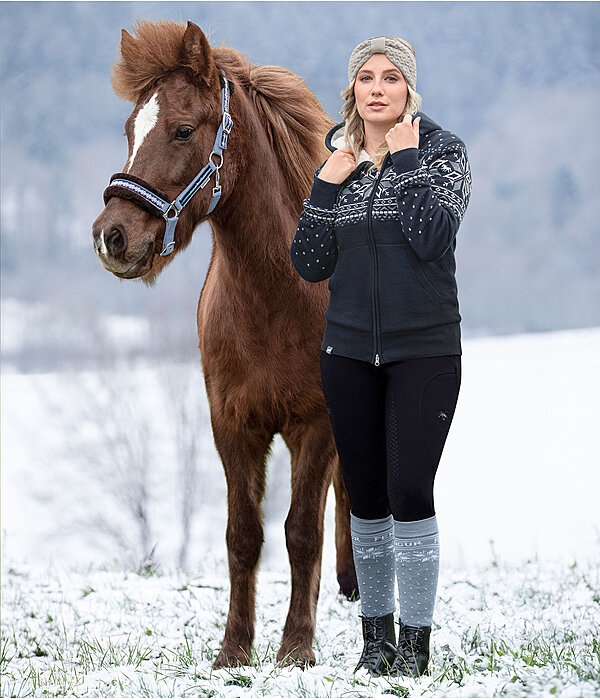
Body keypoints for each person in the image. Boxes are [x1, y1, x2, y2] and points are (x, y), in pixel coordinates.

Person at [290, 36, 472, 678]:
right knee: (364, 494)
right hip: (346, 354)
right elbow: (309, 263)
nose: (377, 88)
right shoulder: (336, 159)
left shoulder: (442, 152)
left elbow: (432, 237)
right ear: (352, 90)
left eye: (391, 78)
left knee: (410, 488)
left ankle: (416, 649)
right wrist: (322, 188)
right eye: (366, 77)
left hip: (423, 351)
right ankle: (377, 643)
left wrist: (404, 162)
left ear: (408, 91)